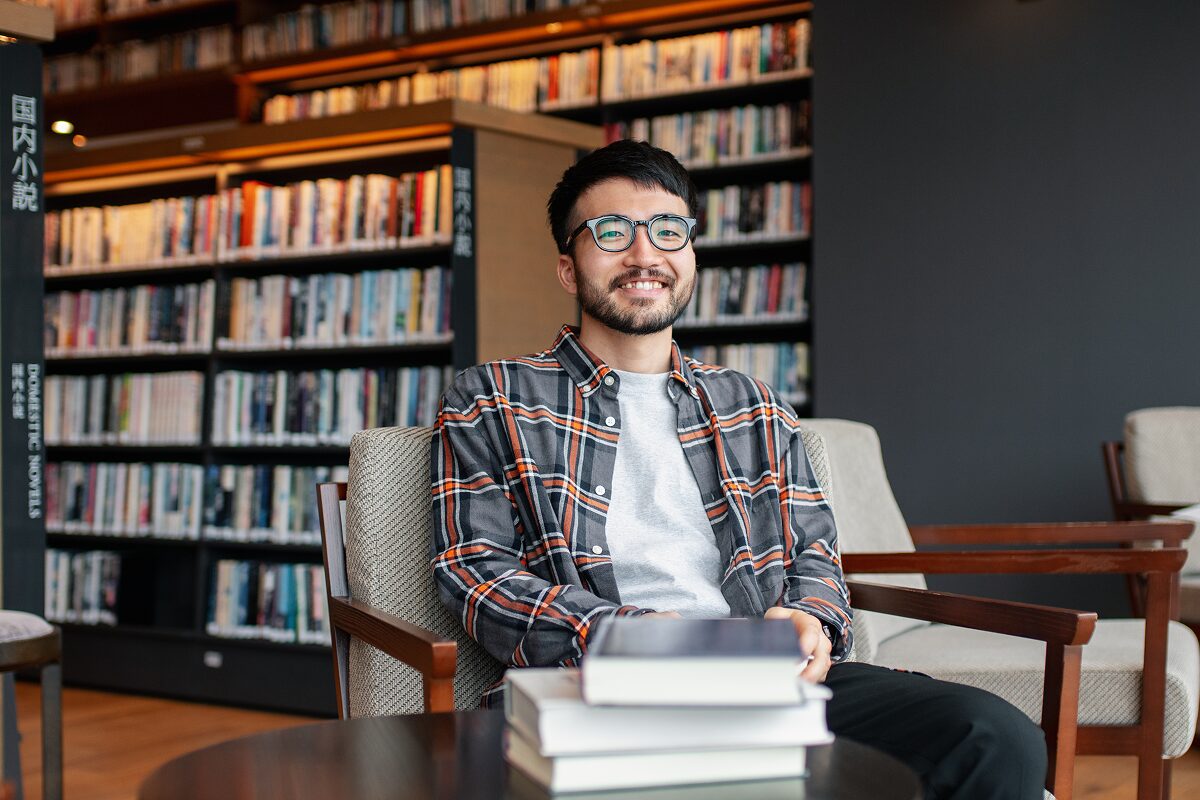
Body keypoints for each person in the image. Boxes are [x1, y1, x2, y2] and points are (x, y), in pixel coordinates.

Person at [430, 139, 1046, 799]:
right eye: (612, 232)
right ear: (567, 267)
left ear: (690, 254)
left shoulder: (753, 405)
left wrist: (813, 618)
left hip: (762, 674)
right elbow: (475, 573)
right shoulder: (492, 397)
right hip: (602, 688)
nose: (645, 254)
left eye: (668, 231)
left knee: (996, 738)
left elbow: (815, 554)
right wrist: (629, 635)